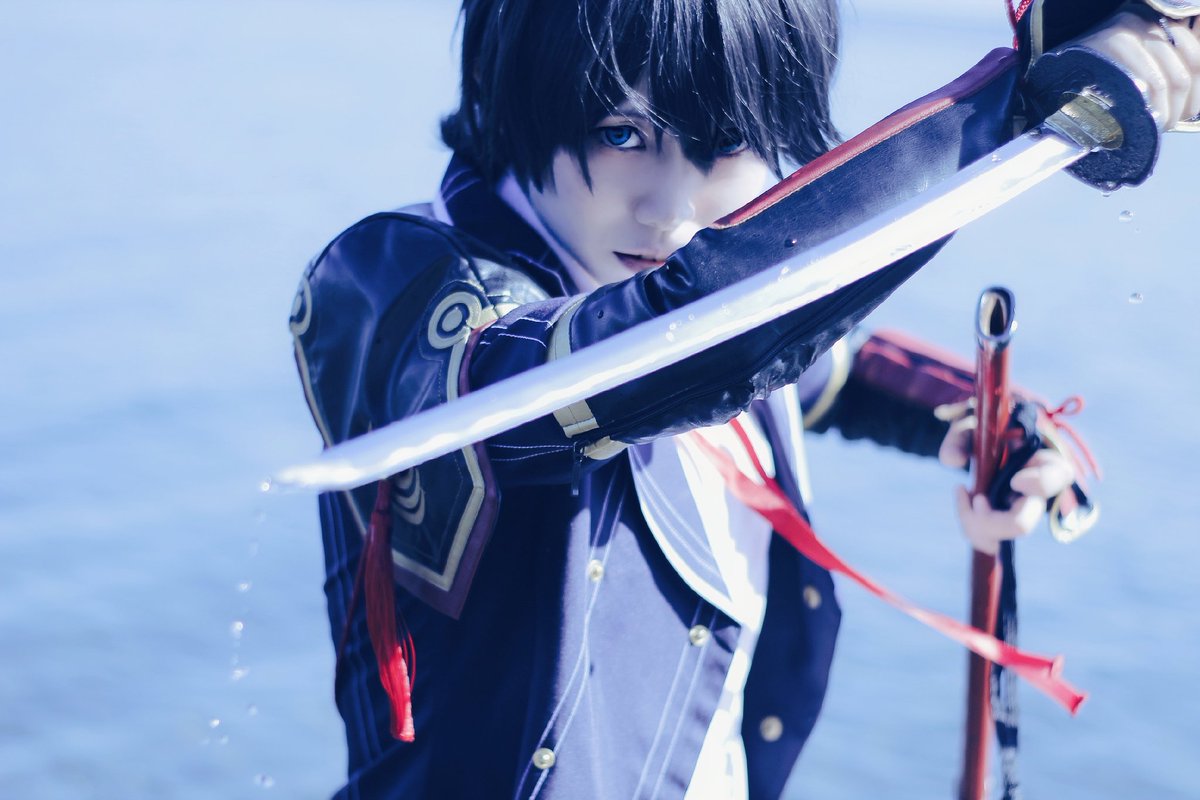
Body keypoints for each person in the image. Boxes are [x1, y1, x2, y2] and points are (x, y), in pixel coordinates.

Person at [289, 1, 1199, 797]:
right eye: (620, 133)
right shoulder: (391, 288)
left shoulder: (733, 306)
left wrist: (987, 420)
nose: (671, 211)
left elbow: (819, 367)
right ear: (512, 84)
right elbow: (678, 339)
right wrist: (1022, 101)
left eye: (727, 141)